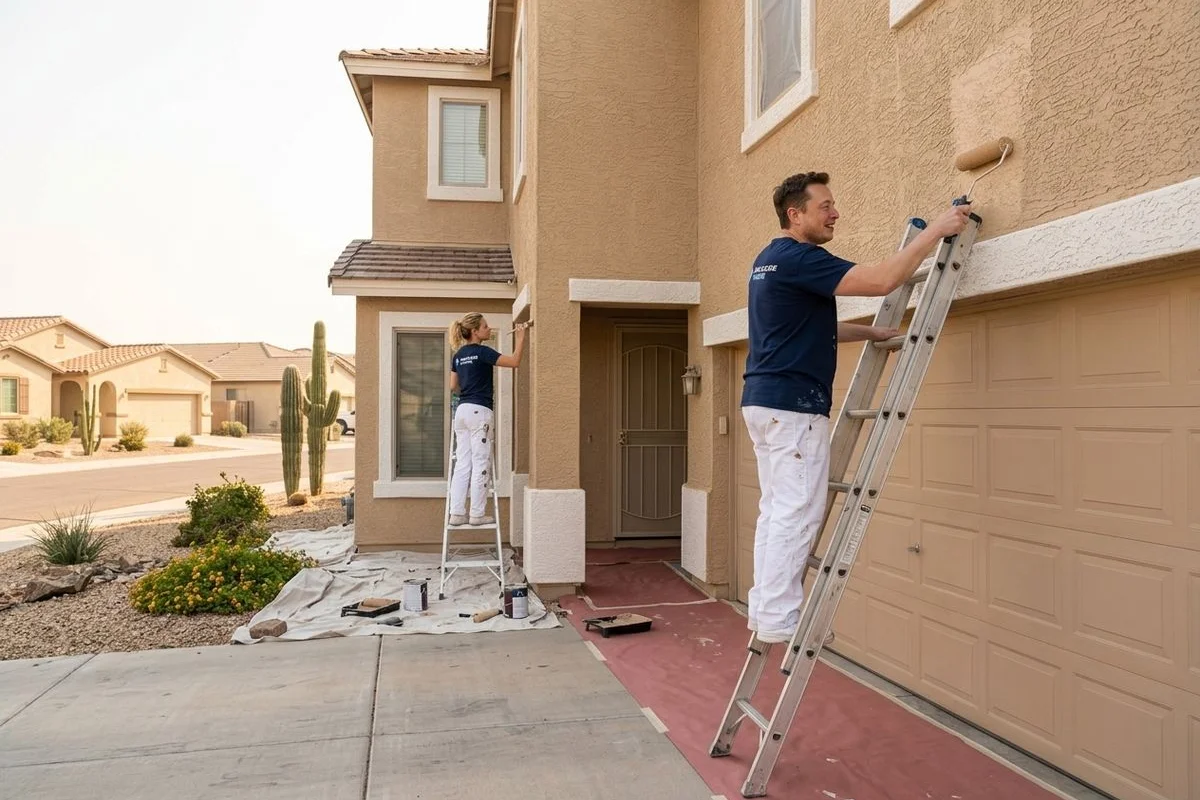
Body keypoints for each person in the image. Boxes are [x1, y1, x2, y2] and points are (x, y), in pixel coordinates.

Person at [741, 171, 972, 643]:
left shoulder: (769, 260)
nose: (835, 213)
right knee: (798, 512)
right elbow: (885, 280)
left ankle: (765, 610)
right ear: (796, 213)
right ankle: (781, 620)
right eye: (825, 206)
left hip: (766, 402)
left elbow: (800, 328)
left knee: (776, 510)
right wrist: (936, 231)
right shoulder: (802, 258)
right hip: (794, 406)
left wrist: (870, 333)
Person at [447, 313, 531, 526]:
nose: (489, 329)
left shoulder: (458, 355)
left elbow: (452, 386)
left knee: (462, 464)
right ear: (475, 331)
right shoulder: (483, 352)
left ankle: (456, 513)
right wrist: (521, 338)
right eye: (485, 326)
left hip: (462, 412)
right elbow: (514, 362)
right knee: (480, 462)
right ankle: (476, 514)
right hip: (479, 412)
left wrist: (469, 387)